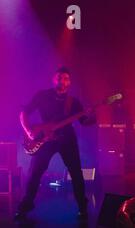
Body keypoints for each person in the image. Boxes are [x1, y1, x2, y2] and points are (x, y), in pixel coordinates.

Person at [16, 67, 95, 219]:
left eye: (65, 78)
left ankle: (82, 207)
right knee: (34, 173)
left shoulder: (74, 102)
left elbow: (84, 121)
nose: (62, 81)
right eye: (59, 78)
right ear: (53, 79)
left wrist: (92, 115)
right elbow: (24, 113)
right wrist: (29, 132)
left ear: (69, 82)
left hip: (67, 139)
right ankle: (25, 205)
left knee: (76, 173)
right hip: (45, 139)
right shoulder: (42, 96)